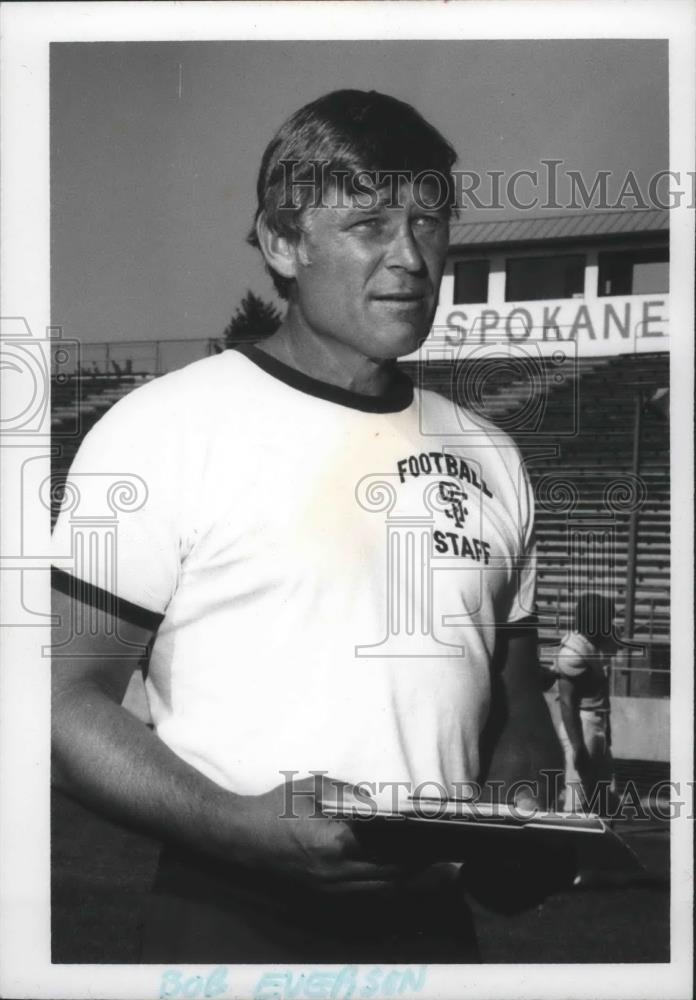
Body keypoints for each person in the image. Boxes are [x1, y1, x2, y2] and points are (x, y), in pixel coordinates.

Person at [51, 89, 565, 964]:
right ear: (284, 243)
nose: (409, 257)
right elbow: (57, 702)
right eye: (369, 224)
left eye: (429, 223)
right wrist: (237, 829)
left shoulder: (492, 454)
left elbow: (515, 699)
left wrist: (526, 814)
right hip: (227, 917)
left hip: (436, 932)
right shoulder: (162, 427)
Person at [556, 593, 617, 816]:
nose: (611, 625)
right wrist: (577, 745)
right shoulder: (573, 652)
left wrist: (607, 732)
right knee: (577, 800)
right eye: (607, 620)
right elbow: (567, 702)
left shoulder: (600, 643)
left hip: (599, 721)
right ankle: (568, 849)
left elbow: (603, 694)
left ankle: (600, 850)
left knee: (606, 801)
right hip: (582, 724)